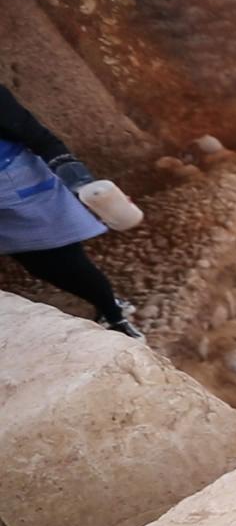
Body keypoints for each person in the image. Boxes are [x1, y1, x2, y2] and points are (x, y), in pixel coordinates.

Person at [0, 84, 141, 338]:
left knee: (64, 261)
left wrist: (83, 184)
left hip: (20, 186)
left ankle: (115, 316)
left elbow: (40, 138)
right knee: (37, 264)